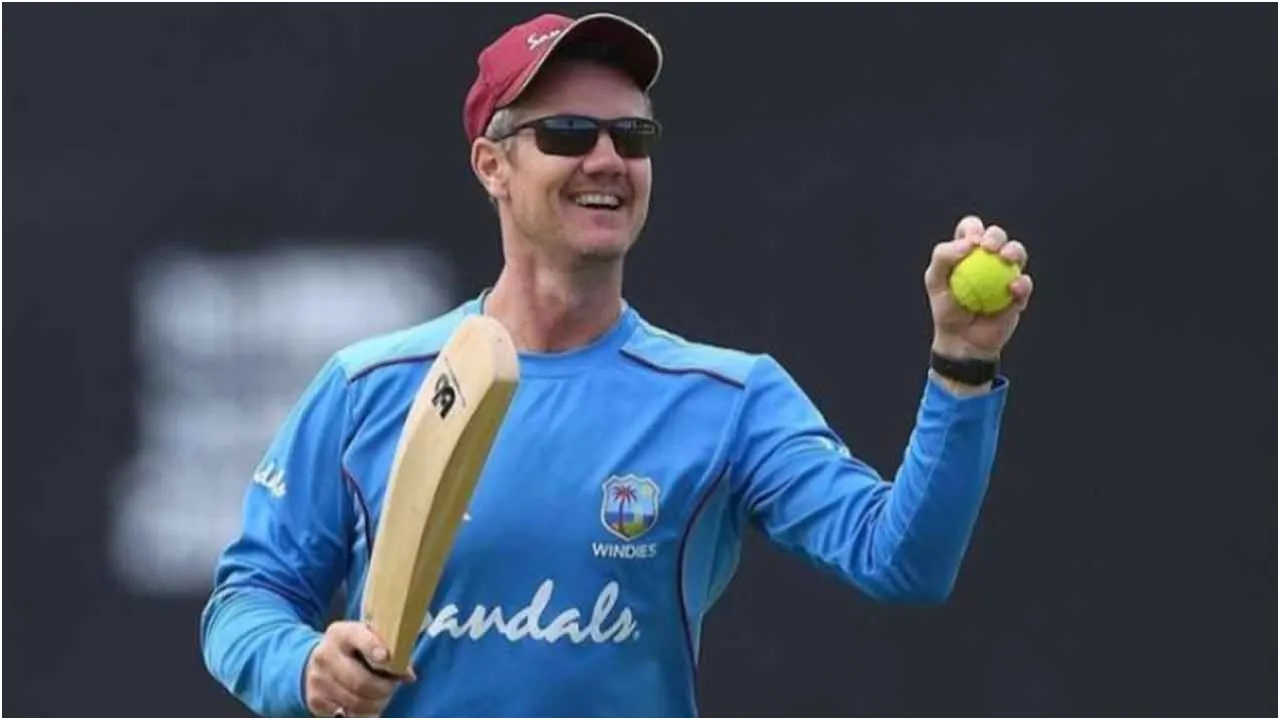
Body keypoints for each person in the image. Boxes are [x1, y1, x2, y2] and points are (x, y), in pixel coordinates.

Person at [199, 10, 1034, 718]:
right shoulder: (369, 387)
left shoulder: (728, 400)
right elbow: (247, 598)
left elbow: (902, 562)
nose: (606, 159)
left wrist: (962, 364)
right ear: (492, 166)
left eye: (631, 136)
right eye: (567, 133)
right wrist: (302, 668)